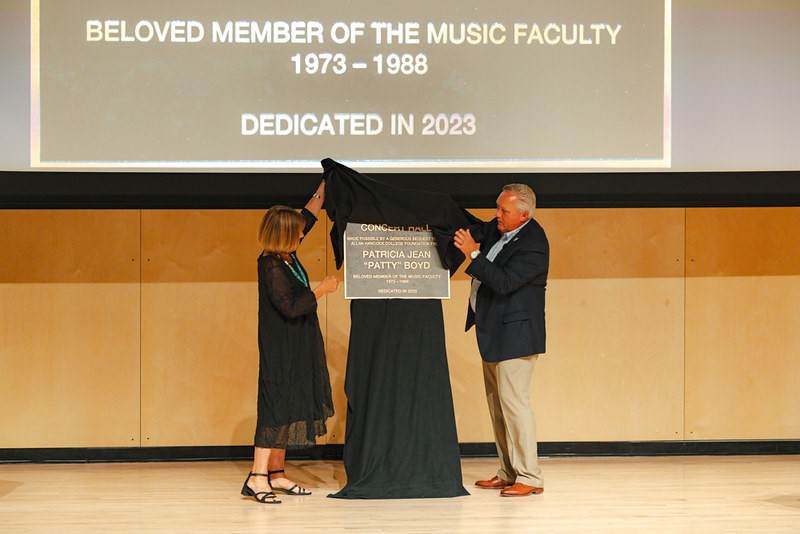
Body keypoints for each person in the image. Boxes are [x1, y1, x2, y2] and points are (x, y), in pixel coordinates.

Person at [241, 180, 339, 504]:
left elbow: (307, 217)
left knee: (287, 406)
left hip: (297, 345)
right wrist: (322, 289)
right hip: (279, 349)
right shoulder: (270, 266)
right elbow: (292, 306)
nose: (301, 233)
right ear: (284, 235)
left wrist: (325, 184)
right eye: (296, 231)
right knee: (273, 408)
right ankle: (257, 477)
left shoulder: (287, 255)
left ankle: (277, 474)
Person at [453, 183, 549, 498]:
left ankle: (530, 477)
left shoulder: (533, 243)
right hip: (493, 332)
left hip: (517, 336)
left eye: (503, 211)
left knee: (515, 405)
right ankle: (508, 472)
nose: (496, 216)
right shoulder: (500, 230)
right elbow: (474, 226)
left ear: (523, 215)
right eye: (497, 208)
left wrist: (473, 253)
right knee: (498, 407)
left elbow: (505, 282)